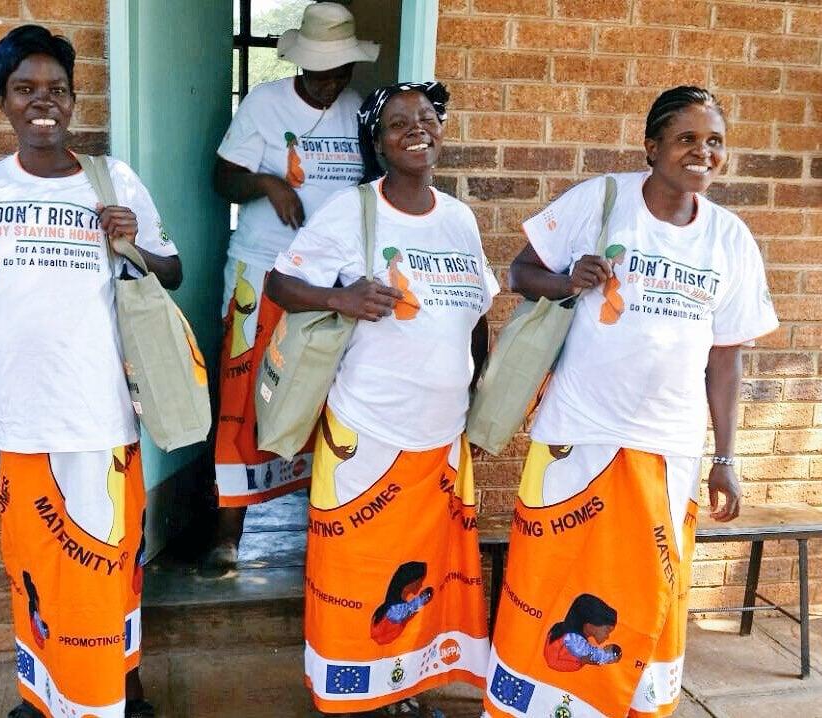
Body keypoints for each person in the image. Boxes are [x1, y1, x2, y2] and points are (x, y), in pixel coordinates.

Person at [483, 86, 779, 718]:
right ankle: (525, 704)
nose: (703, 152)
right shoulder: (603, 200)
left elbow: (726, 357)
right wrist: (568, 280)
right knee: (549, 578)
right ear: (652, 146)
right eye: (687, 138)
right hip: (577, 433)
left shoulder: (730, 239)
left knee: (648, 590)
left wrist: (727, 457)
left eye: (715, 141)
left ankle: (632, 705)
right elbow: (518, 273)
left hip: (666, 449)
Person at [0, 25, 182, 718]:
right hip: (19, 423)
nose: (43, 103)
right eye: (25, 90)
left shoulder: (111, 179)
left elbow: (172, 271)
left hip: (100, 419)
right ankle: (48, 693)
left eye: (56, 90)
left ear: (73, 98)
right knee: (35, 569)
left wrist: (130, 238)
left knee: (103, 562)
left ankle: (113, 688)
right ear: (1, 100)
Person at [267, 81, 498, 717]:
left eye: (426, 118)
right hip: (367, 432)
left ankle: (406, 684)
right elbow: (280, 282)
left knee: (422, 575)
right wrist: (341, 298)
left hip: (441, 440)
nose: (416, 129)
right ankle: (352, 691)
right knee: (358, 569)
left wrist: (479, 387)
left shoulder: (458, 219)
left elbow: (476, 314)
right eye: (399, 123)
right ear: (378, 142)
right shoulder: (353, 211)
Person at [211, 2, 380, 568]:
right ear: (300, 65)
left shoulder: (359, 112)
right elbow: (220, 178)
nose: (328, 83)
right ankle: (228, 535)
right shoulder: (263, 104)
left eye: (338, 73)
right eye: (318, 72)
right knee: (245, 397)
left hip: (331, 281)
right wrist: (266, 182)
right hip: (260, 272)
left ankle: (327, 522)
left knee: (328, 394)